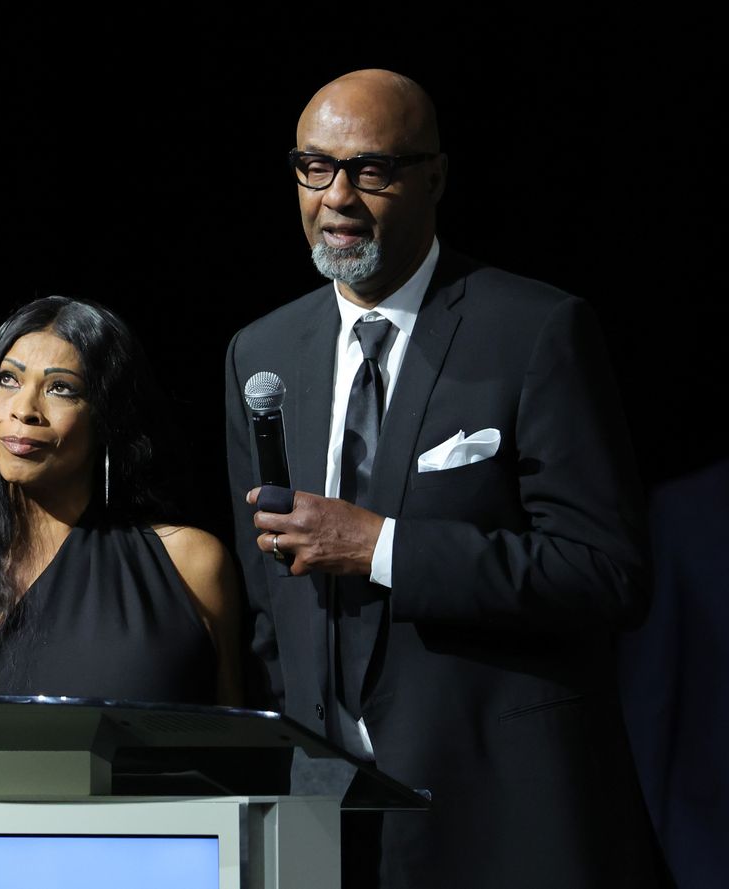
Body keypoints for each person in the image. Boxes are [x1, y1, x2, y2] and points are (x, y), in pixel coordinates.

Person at [225, 70, 669, 888]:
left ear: (435, 176)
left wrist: (383, 545)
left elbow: (607, 571)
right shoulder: (262, 352)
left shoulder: (534, 330)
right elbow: (268, 607)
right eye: (314, 167)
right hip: (328, 828)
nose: (338, 197)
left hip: (503, 817)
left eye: (374, 170)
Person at [0, 295, 240, 710]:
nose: (24, 409)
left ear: (107, 418)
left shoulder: (189, 563)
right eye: (9, 380)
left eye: (60, 388)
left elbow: (243, 748)